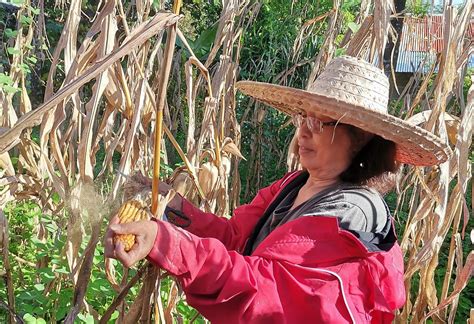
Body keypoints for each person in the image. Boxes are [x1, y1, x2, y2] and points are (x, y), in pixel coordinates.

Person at [104, 56, 451, 323]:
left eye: (319, 121)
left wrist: (167, 243)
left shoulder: (352, 215)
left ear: (359, 139)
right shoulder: (293, 185)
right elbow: (235, 238)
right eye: (303, 117)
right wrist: (171, 207)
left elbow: (266, 289)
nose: (303, 131)